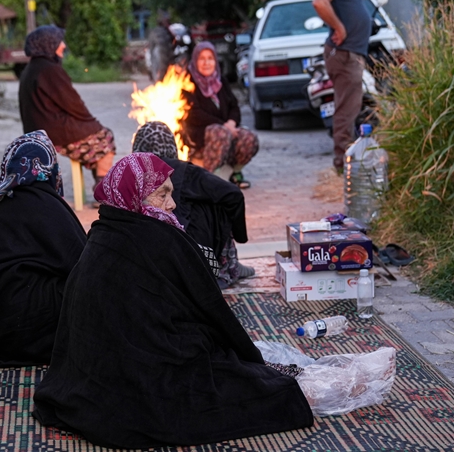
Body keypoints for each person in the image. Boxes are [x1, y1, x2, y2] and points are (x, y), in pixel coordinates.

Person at [32, 153, 314, 449]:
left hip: (95, 377)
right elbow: (212, 311)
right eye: (162, 194)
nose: (172, 204)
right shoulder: (157, 238)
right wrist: (250, 359)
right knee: (267, 390)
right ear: (135, 197)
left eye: (171, 192)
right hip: (146, 373)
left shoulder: (103, 230)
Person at [0, 131, 87, 367]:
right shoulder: (44, 203)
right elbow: (83, 263)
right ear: (48, 167)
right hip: (22, 325)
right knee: (87, 293)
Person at [132, 122, 254, 287]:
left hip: (138, 254)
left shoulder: (128, 173)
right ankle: (227, 266)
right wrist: (241, 236)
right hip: (184, 252)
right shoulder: (183, 171)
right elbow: (233, 194)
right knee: (217, 198)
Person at [18, 25, 116, 191]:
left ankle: (102, 187)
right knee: (105, 138)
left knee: (95, 135)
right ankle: (104, 192)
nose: (63, 45)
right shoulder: (49, 70)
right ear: (48, 44)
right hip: (54, 133)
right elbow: (73, 103)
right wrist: (92, 122)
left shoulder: (32, 68)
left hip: (38, 130)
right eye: (59, 42)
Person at [312, 0, 371, 173]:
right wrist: (339, 27)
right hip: (344, 54)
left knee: (350, 108)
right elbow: (320, 2)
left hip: (350, 54)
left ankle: (347, 161)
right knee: (347, 109)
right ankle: (343, 166)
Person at [181, 41, 259, 188]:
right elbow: (194, 114)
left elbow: (234, 107)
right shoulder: (188, 82)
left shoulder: (220, 81)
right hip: (200, 136)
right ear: (195, 60)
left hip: (225, 132)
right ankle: (211, 181)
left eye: (210, 58)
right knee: (220, 133)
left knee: (248, 138)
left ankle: (232, 174)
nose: (206, 63)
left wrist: (231, 123)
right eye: (201, 59)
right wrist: (224, 126)